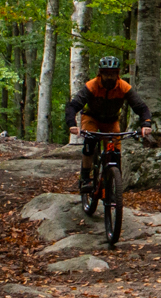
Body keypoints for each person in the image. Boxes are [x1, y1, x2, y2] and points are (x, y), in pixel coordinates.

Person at [65, 55, 155, 211]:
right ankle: (86, 178)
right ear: (100, 73)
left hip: (111, 121)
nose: (109, 76)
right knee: (90, 144)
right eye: (106, 73)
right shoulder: (92, 86)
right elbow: (73, 106)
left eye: (112, 73)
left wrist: (146, 124)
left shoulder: (123, 87)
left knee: (115, 152)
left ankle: (113, 187)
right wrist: (72, 124)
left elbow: (142, 108)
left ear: (117, 74)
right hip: (91, 117)